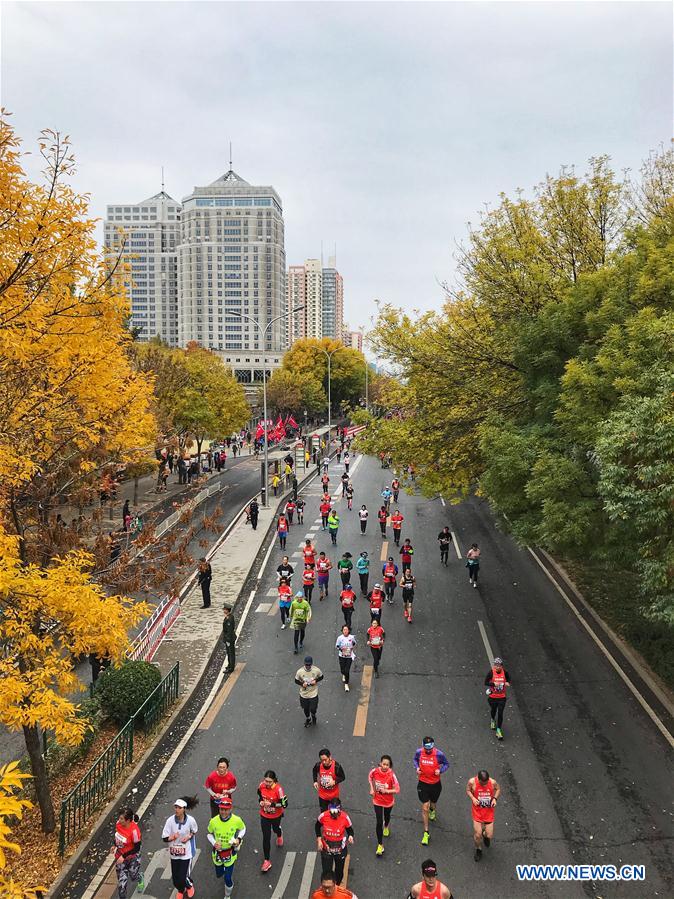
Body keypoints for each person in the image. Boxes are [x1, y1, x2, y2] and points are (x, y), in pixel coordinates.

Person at [207, 797, 246, 897]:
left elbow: (243, 828)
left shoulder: (236, 820)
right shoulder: (213, 821)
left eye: (226, 809)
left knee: (227, 878)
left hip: (230, 853)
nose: (223, 812)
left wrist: (239, 839)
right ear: (219, 809)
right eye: (221, 809)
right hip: (217, 854)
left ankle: (227, 896)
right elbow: (209, 834)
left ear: (231, 809)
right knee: (219, 874)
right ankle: (223, 870)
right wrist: (214, 842)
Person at [414, 737, 450, 845]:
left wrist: (441, 770)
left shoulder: (439, 754)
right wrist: (417, 768)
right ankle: (426, 832)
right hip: (423, 783)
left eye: (430, 748)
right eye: (426, 748)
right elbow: (415, 760)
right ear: (423, 746)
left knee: (432, 804)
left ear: (433, 746)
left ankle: (433, 810)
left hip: (435, 784)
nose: (428, 751)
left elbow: (446, 764)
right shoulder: (419, 752)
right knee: (425, 806)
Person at [162, 797, 199, 899]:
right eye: (176, 807)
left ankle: (189, 885)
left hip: (187, 853)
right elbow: (164, 838)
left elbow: (194, 830)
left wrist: (189, 836)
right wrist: (172, 837)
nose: (176, 810)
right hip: (174, 854)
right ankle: (180, 889)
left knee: (183, 877)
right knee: (175, 879)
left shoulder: (191, 820)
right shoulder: (170, 821)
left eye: (179, 808)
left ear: (184, 809)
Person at [316, 800, 354, 887]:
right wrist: (318, 840)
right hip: (326, 850)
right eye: (332, 812)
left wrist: (351, 836)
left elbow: (350, 830)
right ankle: (327, 887)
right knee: (326, 872)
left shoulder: (345, 817)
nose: (334, 814)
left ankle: (336, 886)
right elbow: (317, 826)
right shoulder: (323, 816)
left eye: (337, 812)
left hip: (340, 850)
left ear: (340, 809)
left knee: (339, 872)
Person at [368, 755, 400, 856]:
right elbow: (370, 777)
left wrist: (387, 791)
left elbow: (397, 789)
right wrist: (372, 788)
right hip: (377, 800)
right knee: (378, 822)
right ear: (380, 763)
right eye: (384, 764)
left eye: (387, 765)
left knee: (387, 816)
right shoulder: (375, 771)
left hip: (388, 802)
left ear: (390, 766)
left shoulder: (392, 775)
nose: (385, 766)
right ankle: (380, 845)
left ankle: (386, 826)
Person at [467, 770, 500, 862]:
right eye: (483, 784)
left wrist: (494, 799)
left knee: (489, 835)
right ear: (479, 779)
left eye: (486, 783)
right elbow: (468, 790)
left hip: (488, 811)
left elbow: (498, 789)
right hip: (477, 811)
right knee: (478, 835)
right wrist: (473, 798)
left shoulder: (492, 782)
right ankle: (478, 849)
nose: (485, 785)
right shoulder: (472, 782)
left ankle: (485, 835)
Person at [257, 770, 287, 873]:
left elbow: (284, 804)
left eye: (270, 782)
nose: (267, 784)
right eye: (266, 781)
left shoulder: (278, 790)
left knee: (275, 829)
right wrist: (261, 801)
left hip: (276, 816)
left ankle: (279, 834)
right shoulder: (261, 786)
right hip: (264, 815)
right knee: (266, 837)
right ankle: (267, 861)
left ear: (274, 780)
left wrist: (272, 805)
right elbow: (259, 794)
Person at [113, 807, 144, 898]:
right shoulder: (118, 824)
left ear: (128, 820)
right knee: (121, 886)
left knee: (133, 876)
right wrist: (114, 845)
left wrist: (124, 855)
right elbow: (117, 836)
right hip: (120, 858)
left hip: (132, 857)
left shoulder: (134, 831)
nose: (119, 820)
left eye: (122, 819)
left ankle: (140, 877)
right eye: (119, 818)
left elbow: (137, 848)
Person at [485, 657, 510, 740]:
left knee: (500, 713)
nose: (497, 667)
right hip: (493, 697)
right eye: (496, 665)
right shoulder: (491, 672)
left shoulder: (505, 672)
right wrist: (493, 684)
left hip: (502, 697)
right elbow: (485, 682)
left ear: (502, 666)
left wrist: (507, 682)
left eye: (499, 665)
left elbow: (509, 679)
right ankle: (492, 719)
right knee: (493, 710)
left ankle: (498, 731)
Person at [296, 655, 323, 726]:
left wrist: (316, 680)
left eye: (309, 664)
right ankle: (308, 718)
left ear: (311, 664)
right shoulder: (300, 671)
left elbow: (321, 677)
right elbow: (296, 680)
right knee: (306, 708)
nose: (308, 666)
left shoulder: (316, 670)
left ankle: (313, 715)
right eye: (306, 664)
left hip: (313, 693)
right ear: (304, 664)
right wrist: (302, 684)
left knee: (313, 708)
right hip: (304, 694)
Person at [335, 625, 356, 690]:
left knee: (347, 671)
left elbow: (354, 643)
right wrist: (341, 649)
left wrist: (352, 645)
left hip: (349, 656)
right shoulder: (339, 638)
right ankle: (343, 674)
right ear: (342, 631)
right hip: (342, 656)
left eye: (346, 630)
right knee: (342, 670)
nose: (345, 631)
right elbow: (337, 646)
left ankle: (346, 684)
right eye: (344, 630)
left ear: (348, 630)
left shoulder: (351, 637)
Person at [222, 605, 236, 673]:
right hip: (228, 638)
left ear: (227, 610)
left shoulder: (229, 619)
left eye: (224, 609)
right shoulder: (228, 617)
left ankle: (231, 667)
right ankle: (229, 664)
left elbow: (230, 631)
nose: (223, 610)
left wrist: (227, 640)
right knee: (228, 652)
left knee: (231, 653)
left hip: (229, 639)